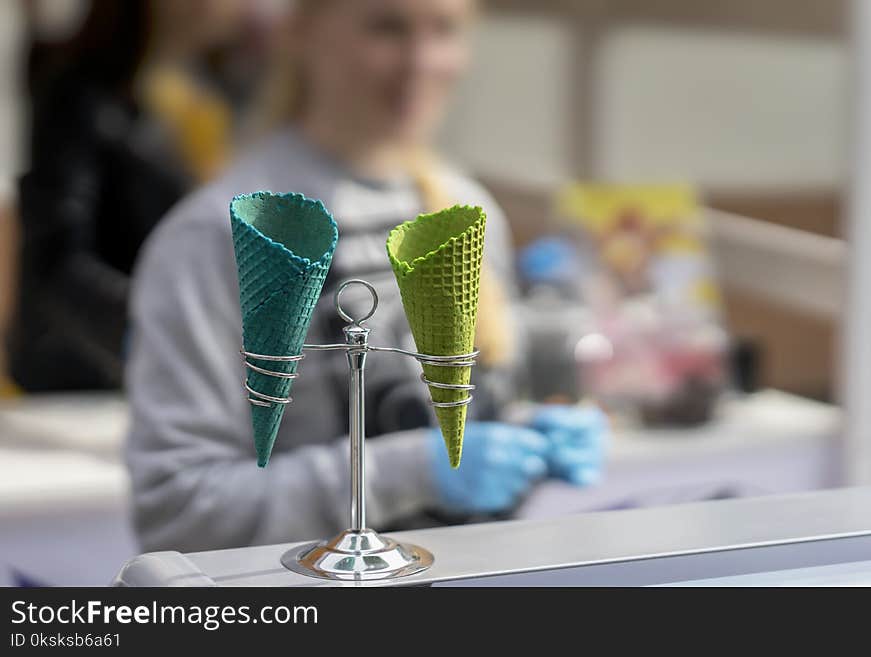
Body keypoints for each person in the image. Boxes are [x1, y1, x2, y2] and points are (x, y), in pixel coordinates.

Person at [127, 0, 607, 553]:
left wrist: (525, 437)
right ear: (302, 32)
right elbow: (178, 513)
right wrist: (412, 472)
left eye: (445, 30)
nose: (420, 62)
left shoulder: (466, 211)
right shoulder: (223, 235)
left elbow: (463, 417)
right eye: (387, 27)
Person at [7, 0, 248, 391]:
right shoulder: (81, 97)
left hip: (162, 372)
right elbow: (55, 258)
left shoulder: (207, 96)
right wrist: (159, 328)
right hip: (84, 375)